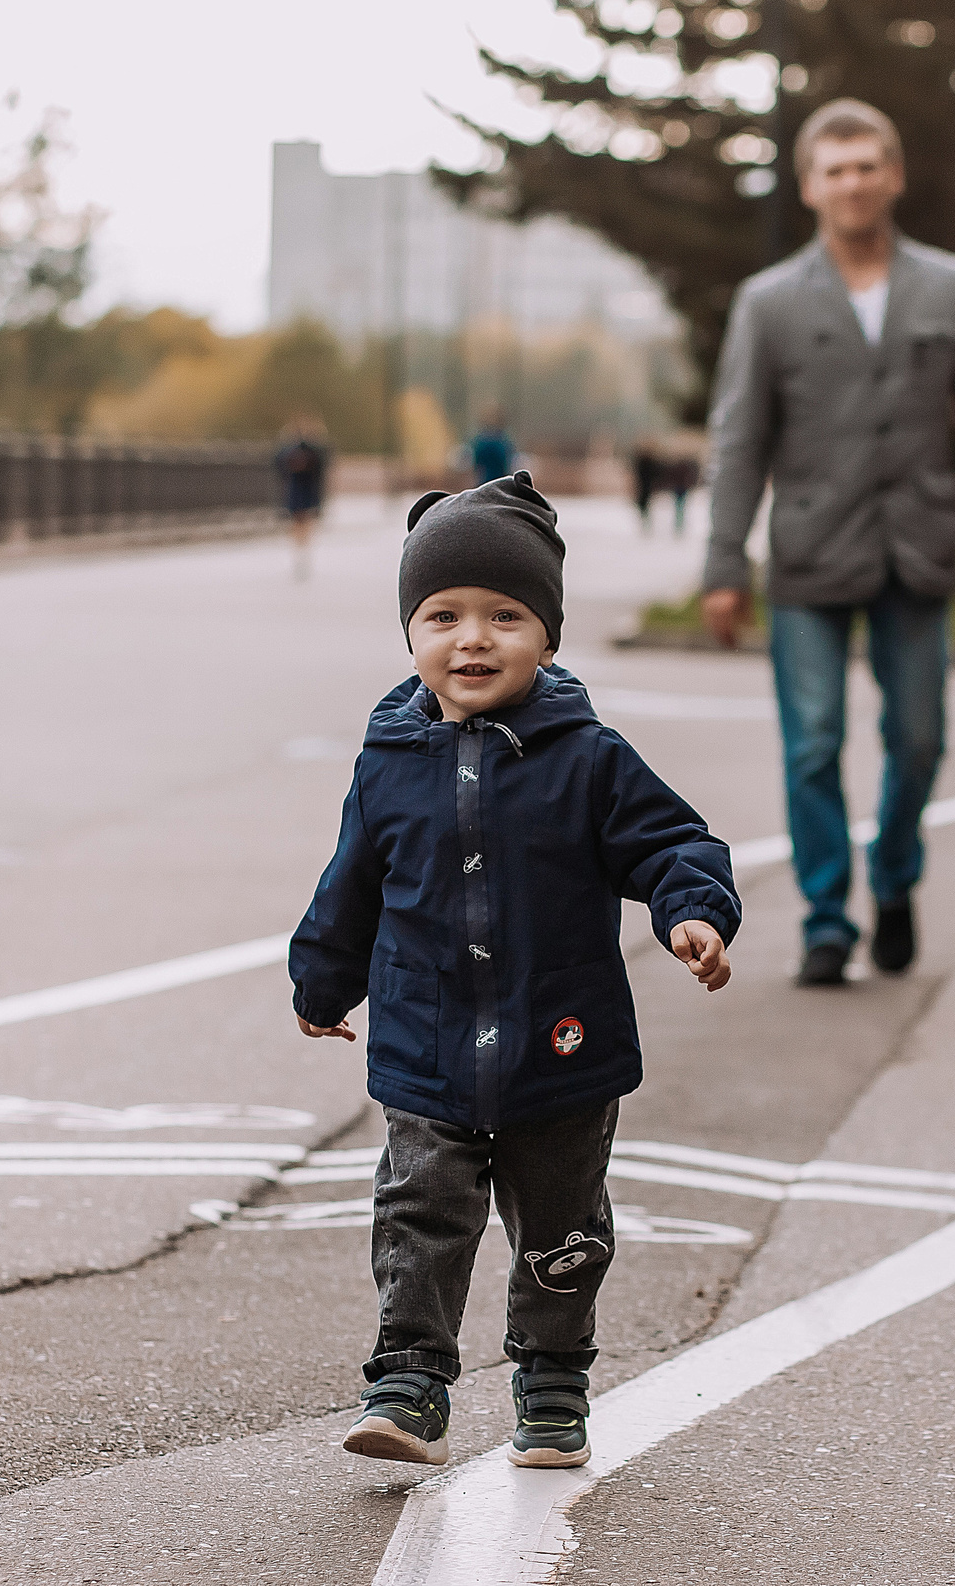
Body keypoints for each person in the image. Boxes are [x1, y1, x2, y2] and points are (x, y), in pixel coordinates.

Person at [288, 470, 740, 1471]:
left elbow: (675, 847)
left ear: (548, 637)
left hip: (559, 1047)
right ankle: (408, 1381)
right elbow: (351, 885)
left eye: (505, 615)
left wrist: (693, 914)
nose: (472, 639)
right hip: (425, 1044)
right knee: (419, 1213)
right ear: (411, 634)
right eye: (442, 615)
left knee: (559, 1230)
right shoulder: (388, 760)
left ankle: (551, 1382)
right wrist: (322, 983)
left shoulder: (587, 759)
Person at [702, 97, 955, 987]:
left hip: (918, 545)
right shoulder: (770, 301)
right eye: (835, 169)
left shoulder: (949, 285)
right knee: (813, 741)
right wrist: (722, 564)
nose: (853, 183)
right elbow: (738, 441)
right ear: (809, 186)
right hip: (811, 551)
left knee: (921, 738)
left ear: (894, 176)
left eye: (868, 166)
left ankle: (894, 878)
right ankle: (827, 917)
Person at [273, 415, 332, 580]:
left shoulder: (313, 448)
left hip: (305, 489)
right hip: (297, 489)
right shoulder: (289, 449)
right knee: (298, 520)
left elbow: (321, 465)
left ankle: (302, 548)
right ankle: (300, 548)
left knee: (303, 520)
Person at [469, 408, 517, 486]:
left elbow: (508, 463)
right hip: (487, 481)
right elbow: (476, 464)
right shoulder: (483, 442)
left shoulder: (503, 442)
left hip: (499, 481)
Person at [631, 442, 663, 535]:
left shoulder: (649, 461)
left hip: (646, 486)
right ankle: (645, 521)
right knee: (643, 504)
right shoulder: (644, 461)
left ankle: (645, 521)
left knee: (645, 504)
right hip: (644, 486)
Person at [664, 452, 699, 534]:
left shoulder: (682, 467)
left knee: (680, 506)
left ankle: (680, 524)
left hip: (681, 488)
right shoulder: (678, 467)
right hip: (678, 488)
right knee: (679, 506)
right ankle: (678, 524)